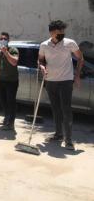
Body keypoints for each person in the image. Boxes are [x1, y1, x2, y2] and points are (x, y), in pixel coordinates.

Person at [38, 20, 84, 150]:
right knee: (55, 109)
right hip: (50, 81)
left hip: (66, 81)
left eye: (63, 32)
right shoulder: (44, 45)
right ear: (52, 33)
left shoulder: (70, 43)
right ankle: (58, 134)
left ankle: (68, 140)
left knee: (66, 110)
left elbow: (80, 58)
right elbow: (40, 59)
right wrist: (42, 67)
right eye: (59, 33)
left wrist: (77, 75)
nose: (62, 35)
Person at [0, 32, 19, 131]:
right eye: (1, 38)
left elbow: (14, 62)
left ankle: (11, 123)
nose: (3, 40)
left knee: (11, 101)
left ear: (8, 40)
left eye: (5, 38)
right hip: (1, 80)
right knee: (3, 101)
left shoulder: (13, 50)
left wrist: (6, 52)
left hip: (12, 80)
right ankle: (7, 117)